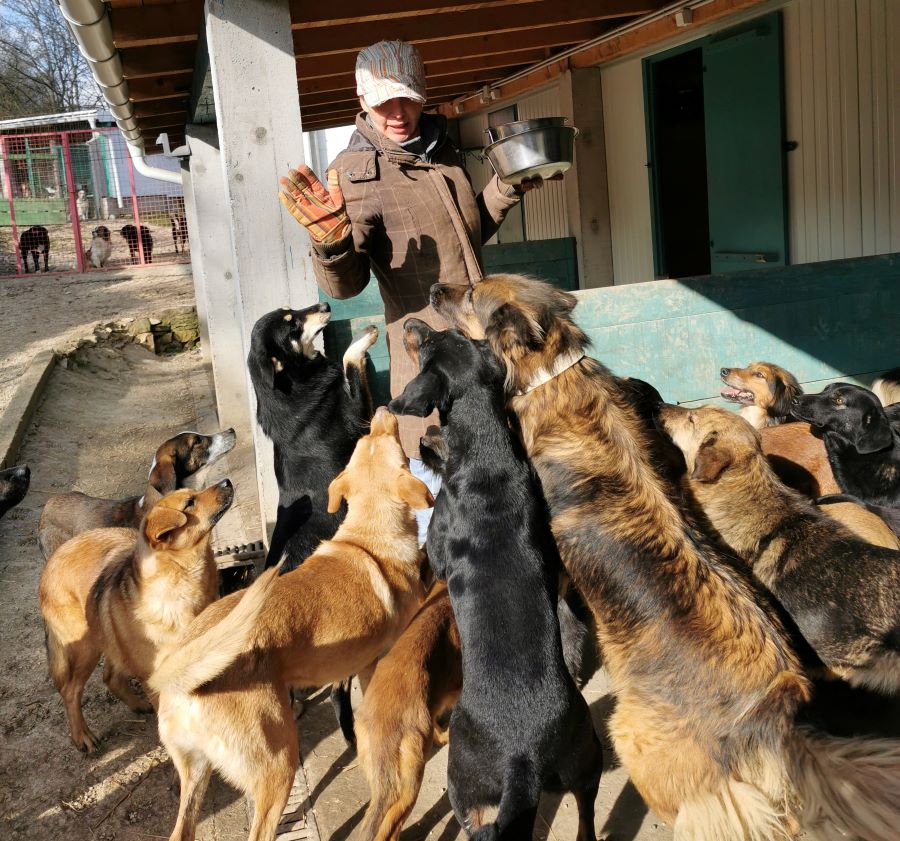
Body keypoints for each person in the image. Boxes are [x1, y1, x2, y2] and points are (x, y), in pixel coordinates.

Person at [279, 40, 554, 540]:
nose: (396, 113)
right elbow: (346, 283)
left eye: (405, 97)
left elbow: (467, 235)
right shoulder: (356, 172)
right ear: (362, 100)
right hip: (434, 365)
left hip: (489, 348)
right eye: (382, 101)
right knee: (444, 520)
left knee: (506, 504)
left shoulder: (441, 151)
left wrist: (506, 187)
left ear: (422, 94)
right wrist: (332, 241)